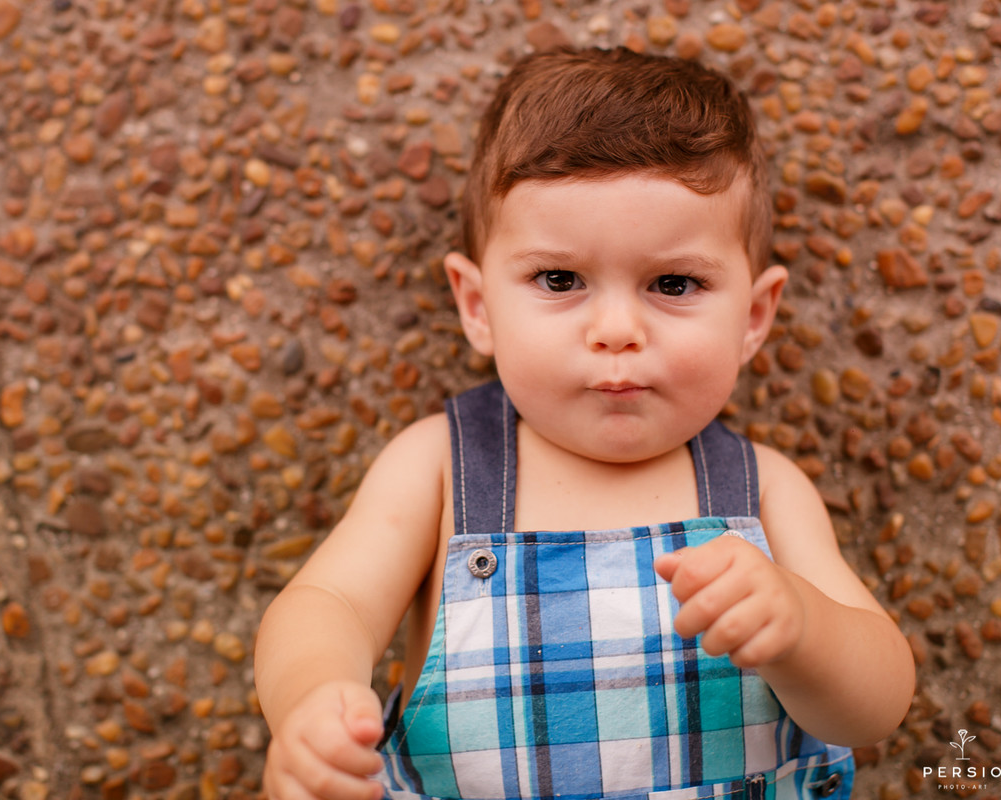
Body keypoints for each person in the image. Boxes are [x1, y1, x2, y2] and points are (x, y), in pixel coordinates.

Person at [255, 46, 915, 800]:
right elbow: (327, 603)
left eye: (674, 283)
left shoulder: (762, 490)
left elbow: (879, 704)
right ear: (477, 307)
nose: (615, 329)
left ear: (754, 317)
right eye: (559, 280)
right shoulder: (442, 468)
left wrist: (804, 630)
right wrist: (312, 701)